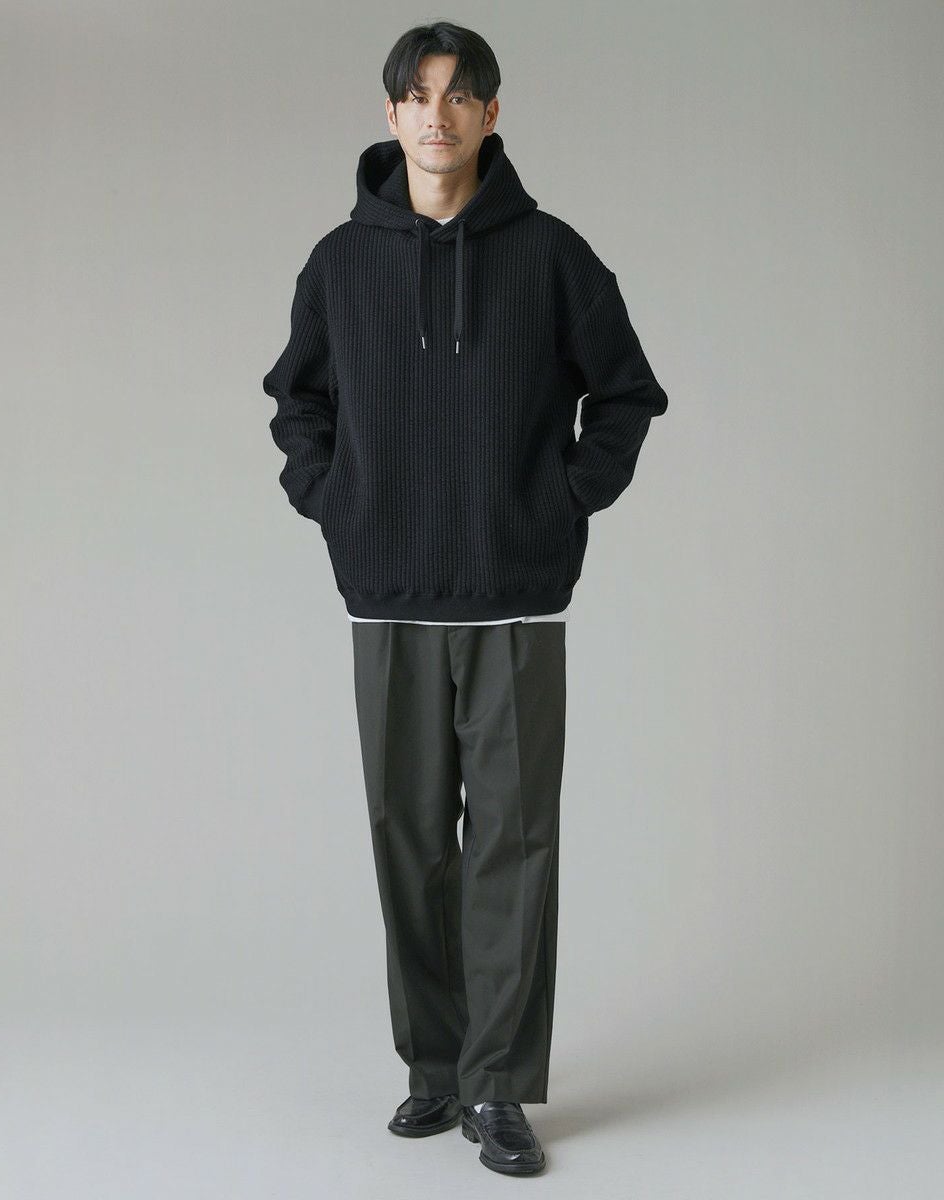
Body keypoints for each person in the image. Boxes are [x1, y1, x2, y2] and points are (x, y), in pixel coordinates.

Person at [262, 20, 668, 1177]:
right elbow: (295, 400)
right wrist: (331, 499)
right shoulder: (340, 263)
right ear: (390, 114)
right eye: (416, 95)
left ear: (492, 114)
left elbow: (625, 393)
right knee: (407, 842)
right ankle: (433, 1068)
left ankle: (498, 1085)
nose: (435, 115)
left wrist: (562, 498)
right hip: (386, 592)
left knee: (513, 844)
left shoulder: (551, 255)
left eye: (457, 95)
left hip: (515, 598)